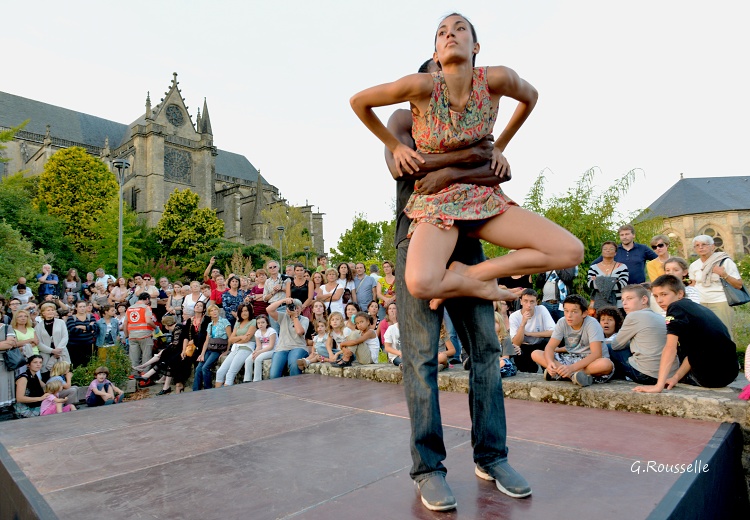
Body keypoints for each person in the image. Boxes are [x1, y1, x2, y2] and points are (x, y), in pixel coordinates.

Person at [371, 43, 535, 509]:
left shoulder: (467, 122)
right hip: (418, 245)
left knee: (486, 349)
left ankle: (492, 456)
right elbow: (407, 166)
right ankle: (428, 468)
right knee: (421, 357)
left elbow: (496, 174)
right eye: (436, 79)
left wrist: (484, 155)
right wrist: (472, 157)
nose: (446, 88)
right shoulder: (403, 120)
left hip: (465, 243)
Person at [350, 14, 583, 314]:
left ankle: (474, 273)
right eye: (442, 32)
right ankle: (480, 287)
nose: (451, 34)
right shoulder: (421, 85)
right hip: (436, 201)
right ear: (436, 54)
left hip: (482, 196)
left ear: (475, 46)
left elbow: (531, 96)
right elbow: (359, 102)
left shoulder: (496, 78)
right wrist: (395, 146)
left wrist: (500, 146)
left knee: (571, 251)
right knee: (420, 283)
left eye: (460, 29)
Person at [634, 275, 739, 392]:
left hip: (708, 376)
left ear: (680, 294)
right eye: (656, 296)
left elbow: (670, 348)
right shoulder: (695, 308)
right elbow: (696, 351)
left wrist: (658, 386)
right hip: (728, 374)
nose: (659, 300)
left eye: (664, 294)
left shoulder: (675, 307)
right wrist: (675, 378)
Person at [531, 295, 615, 386]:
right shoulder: (562, 322)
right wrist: (550, 363)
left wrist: (571, 368)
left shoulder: (592, 324)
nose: (569, 315)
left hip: (590, 361)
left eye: (574, 312)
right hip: (571, 358)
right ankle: (574, 376)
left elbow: (596, 354)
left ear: (584, 313)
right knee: (536, 353)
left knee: (606, 364)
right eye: (566, 311)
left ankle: (561, 374)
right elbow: (550, 347)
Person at [609, 284, 678, 385]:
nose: (624, 303)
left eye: (629, 298)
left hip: (647, 375)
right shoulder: (660, 317)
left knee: (607, 347)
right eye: (622, 300)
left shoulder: (634, 315)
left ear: (644, 300)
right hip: (669, 374)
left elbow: (615, 345)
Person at [688, 234, 743, 340]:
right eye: (697, 245)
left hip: (720, 302)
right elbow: (692, 285)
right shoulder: (694, 265)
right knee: (704, 335)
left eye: (704, 244)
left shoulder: (724, 261)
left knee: (723, 333)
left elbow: (739, 285)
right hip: (701, 303)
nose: (700, 247)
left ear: (712, 246)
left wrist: (723, 274)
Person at [591, 225, 657, 285]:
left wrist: (652, 281)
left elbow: (659, 260)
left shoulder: (643, 248)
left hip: (638, 288)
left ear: (633, 235)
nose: (624, 237)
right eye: (622, 235)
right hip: (618, 289)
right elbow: (594, 264)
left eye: (627, 234)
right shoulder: (614, 250)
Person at [509, 289, 555, 373]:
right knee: (515, 349)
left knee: (549, 341)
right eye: (525, 301)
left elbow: (553, 332)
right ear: (521, 301)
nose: (528, 305)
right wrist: (523, 324)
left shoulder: (541, 309)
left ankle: (549, 369)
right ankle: (528, 370)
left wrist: (529, 334)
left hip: (540, 343)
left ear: (536, 302)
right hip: (525, 346)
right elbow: (515, 343)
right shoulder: (514, 316)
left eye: (532, 302)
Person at [192, 303, 231, 391]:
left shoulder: (224, 322)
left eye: (215, 310)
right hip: (210, 348)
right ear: (209, 313)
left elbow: (230, 337)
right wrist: (202, 354)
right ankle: (195, 390)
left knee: (205, 368)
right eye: (212, 311)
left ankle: (208, 389)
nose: (214, 312)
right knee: (198, 368)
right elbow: (207, 341)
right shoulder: (210, 325)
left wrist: (227, 351)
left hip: (218, 349)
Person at [267, 298, 309, 378]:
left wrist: (295, 317)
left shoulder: (304, 319)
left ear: (301, 309)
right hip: (282, 348)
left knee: (294, 365)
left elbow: (300, 332)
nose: (295, 310)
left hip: (298, 347)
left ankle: (295, 385)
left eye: (297, 308)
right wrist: (283, 300)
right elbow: (269, 309)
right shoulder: (283, 316)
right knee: (274, 374)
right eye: (293, 307)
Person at [587, 241, 629, 313]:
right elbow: (590, 284)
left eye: (611, 249)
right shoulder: (594, 267)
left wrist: (598, 280)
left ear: (615, 253)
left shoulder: (622, 267)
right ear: (602, 252)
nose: (608, 250)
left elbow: (622, 284)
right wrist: (613, 280)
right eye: (605, 249)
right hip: (599, 303)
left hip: (618, 303)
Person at [124, 293, 156, 372]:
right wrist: (155, 327)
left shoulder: (129, 308)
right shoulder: (146, 307)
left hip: (132, 336)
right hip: (145, 335)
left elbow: (125, 323)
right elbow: (148, 321)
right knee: (146, 356)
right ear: (147, 299)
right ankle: (144, 374)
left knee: (133, 357)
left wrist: (127, 335)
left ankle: (133, 373)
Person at [35, 302, 70, 372]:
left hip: (61, 353)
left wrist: (58, 350)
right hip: (46, 355)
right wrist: (52, 351)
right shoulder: (38, 326)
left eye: (52, 310)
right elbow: (38, 342)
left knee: (64, 373)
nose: (51, 312)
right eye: (48, 310)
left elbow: (65, 337)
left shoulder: (61, 322)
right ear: (43, 313)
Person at [243, 314, 276, 383]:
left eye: (263, 322)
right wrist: (255, 352)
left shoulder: (271, 331)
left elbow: (271, 346)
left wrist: (259, 352)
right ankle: (247, 379)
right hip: (262, 350)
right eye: (258, 323)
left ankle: (257, 380)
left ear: (267, 323)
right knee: (248, 359)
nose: (260, 324)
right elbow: (258, 346)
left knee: (258, 359)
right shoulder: (257, 332)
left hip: (272, 350)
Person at [66, 300, 98, 368]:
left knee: (87, 364)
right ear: (76, 308)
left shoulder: (90, 317)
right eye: (80, 307)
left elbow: (95, 327)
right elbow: (72, 329)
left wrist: (82, 327)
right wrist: (87, 328)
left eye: (84, 306)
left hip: (88, 344)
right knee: (75, 364)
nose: (82, 308)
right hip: (74, 346)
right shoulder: (71, 318)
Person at [262, 261, 288, 332]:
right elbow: (264, 298)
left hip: (284, 306)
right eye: (270, 267)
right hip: (272, 308)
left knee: (286, 330)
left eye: (274, 267)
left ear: (278, 268)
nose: (272, 268)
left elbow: (292, 291)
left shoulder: (285, 278)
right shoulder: (267, 281)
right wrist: (273, 292)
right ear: (268, 270)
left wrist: (281, 288)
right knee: (275, 331)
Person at [0, 322, 18, 409]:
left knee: (4, 388)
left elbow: (10, 344)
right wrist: (3, 344)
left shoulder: (7, 327)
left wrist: (6, 344)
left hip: (4, 363)